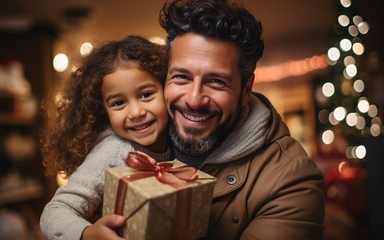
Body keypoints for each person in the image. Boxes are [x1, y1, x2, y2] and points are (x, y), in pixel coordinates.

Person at [97, 0, 325, 239]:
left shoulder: (290, 179)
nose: (194, 100)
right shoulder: (130, 136)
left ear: (246, 90)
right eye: (182, 77)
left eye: (216, 81)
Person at [39, 35, 171, 240]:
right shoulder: (114, 151)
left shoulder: (177, 139)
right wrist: (88, 233)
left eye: (146, 95)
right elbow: (54, 212)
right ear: (103, 111)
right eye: (118, 103)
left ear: (166, 89)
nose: (136, 112)